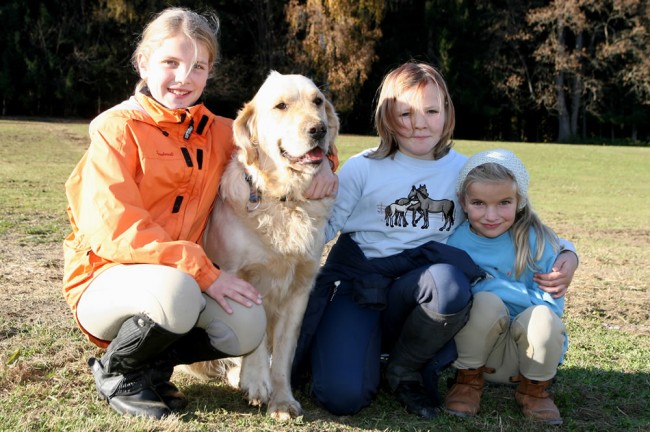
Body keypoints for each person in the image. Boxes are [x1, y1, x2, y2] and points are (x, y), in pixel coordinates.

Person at [62, 7, 337, 420]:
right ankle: (120, 371)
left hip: (181, 280)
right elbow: (116, 231)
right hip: (107, 278)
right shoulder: (114, 129)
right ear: (143, 63)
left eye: (197, 67)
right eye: (170, 62)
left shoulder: (219, 131)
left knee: (246, 324)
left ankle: (155, 367)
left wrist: (327, 159)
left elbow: (286, 136)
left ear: (209, 73)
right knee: (180, 292)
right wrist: (203, 270)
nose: (183, 78)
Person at [291, 62, 577, 419]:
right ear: (387, 115)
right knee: (342, 397)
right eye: (406, 112)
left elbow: (510, 217)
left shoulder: (464, 170)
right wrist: (310, 188)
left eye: (431, 110)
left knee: (450, 283)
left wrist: (567, 253)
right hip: (359, 284)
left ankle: (404, 369)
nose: (419, 122)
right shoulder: (362, 167)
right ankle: (360, 350)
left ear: (447, 113)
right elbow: (322, 230)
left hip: (421, 290)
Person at [444, 149, 575, 425]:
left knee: (541, 317)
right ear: (463, 202)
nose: (491, 215)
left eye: (503, 202)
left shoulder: (536, 240)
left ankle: (535, 391)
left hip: (526, 359)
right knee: (483, 304)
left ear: (519, 201)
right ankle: (467, 383)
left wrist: (489, 284)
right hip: (476, 354)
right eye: (479, 203)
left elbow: (551, 306)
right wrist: (508, 294)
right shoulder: (455, 241)